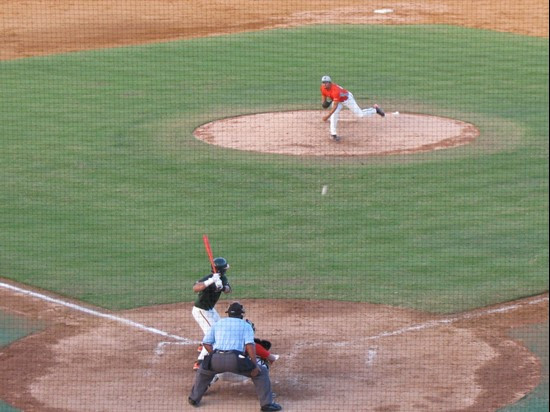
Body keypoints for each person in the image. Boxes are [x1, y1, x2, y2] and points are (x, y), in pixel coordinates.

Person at [188, 302, 282, 412]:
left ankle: (194, 398)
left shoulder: (218, 323)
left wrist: (214, 355)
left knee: (203, 371)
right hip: (235, 360)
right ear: (241, 314)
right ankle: (266, 404)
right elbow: (250, 346)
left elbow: (206, 343)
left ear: (228, 314)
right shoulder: (245, 325)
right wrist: (254, 365)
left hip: (216, 359)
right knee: (262, 372)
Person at [191, 257, 232, 370]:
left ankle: (202, 346)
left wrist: (222, 287)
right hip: (201, 311)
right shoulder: (209, 278)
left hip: (210, 309)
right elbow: (195, 288)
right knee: (213, 335)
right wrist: (210, 282)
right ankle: (200, 361)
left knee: (221, 328)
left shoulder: (222, 278)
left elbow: (229, 290)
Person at [320, 75, 385, 142]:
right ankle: (333, 134)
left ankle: (375, 110)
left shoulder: (335, 91)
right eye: (323, 82)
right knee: (334, 114)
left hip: (347, 99)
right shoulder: (322, 87)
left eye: (326, 82)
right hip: (337, 100)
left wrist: (327, 116)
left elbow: (335, 106)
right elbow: (324, 95)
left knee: (360, 114)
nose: (324, 84)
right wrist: (324, 103)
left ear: (330, 83)